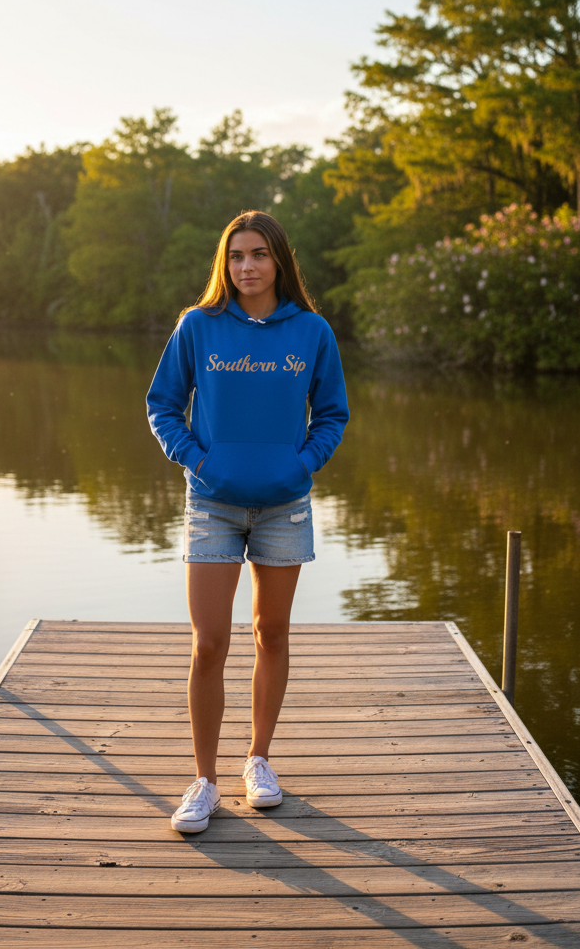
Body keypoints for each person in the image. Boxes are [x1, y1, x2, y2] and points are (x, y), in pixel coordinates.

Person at [146, 210, 349, 833]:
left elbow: (333, 414)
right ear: (224, 264)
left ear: (279, 261)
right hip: (211, 503)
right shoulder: (198, 327)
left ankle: (258, 760)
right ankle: (204, 780)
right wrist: (198, 459)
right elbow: (163, 406)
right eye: (236, 256)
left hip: (284, 506)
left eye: (259, 254)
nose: (247, 266)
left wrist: (303, 464)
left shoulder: (312, 331)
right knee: (209, 644)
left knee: (271, 633)